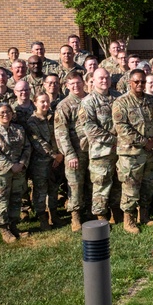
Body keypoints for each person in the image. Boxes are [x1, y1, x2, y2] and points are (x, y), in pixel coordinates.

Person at [112, 69, 153, 234]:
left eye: (143, 82)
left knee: (148, 185)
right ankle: (129, 220)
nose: (140, 85)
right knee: (130, 187)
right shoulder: (121, 102)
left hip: (150, 153)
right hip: (130, 154)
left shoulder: (151, 100)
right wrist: (144, 142)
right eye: (137, 82)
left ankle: (144, 216)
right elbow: (122, 128)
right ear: (130, 82)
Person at [79, 68, 121, 224]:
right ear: (93, 81)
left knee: (118, 183)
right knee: (101, 185)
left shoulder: (118, 98)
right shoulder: (88, 102)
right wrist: (114, 140)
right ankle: (101, 216)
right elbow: (90, 128)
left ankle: (116, 213)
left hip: (120, 150)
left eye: (107, 78)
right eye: (101, 78)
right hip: (101, 152)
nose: (104, 81)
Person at [0, 103, 30, 244]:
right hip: (0, 174)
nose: (6, 115)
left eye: (8, 112)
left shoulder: (19, 129)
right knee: (1, 201)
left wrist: (21, 164)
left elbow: (27, 147)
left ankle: (14, 226)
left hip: (18, 172)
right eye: (2, 112)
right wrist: (10, 166)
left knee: (16, 199)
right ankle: (4, 229)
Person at [54, 72, 89, 231]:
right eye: (72, 84)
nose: (76, 86)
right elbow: (61, 133)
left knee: (93, 182)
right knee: (75, 184)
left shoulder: (90, 99)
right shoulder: (64, 105)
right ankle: (75, 216)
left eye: (78, 82)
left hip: (94, 150)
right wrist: (69, 154)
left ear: (83, 83)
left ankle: (92, 212)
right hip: (75, 152)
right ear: (67, 86)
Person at [25, 92, 62, 230]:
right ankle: (42, 217)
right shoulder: (32, 121)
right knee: (40, 190)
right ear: (35, 103)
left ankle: (53, 214)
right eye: (42, 102)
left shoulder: (53, 117)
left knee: (53, 188)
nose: (45, 104)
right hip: (40, 162)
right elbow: (38, 142)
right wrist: (54, 155)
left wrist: (60, 155)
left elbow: (59, 136)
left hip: (56, 160)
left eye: (47, 101)